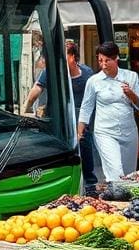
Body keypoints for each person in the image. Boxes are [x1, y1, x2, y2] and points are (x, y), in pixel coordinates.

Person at [26, 42, 99, 190]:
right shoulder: (51, 72)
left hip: (80, 116)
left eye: (64, 54)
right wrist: (26, 106)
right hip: (59, 115)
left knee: (84, 145)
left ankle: (90, 183)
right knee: (57, 148)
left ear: (73, 57)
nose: (59, 58)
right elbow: (37, 88)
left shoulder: (87, 73)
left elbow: (93, 97)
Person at [78, 41, 139, 182]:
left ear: (116, 58)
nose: (103, 65)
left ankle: (124, 202)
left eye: (107, 60)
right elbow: (86, 107)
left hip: (128, 132)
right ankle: (117, 199)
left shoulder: (131, 77)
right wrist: (80, 131)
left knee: (129, 175)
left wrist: (131, 94)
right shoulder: (94, 81)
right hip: (105, 132)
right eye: (100, 61)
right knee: (115, 172)